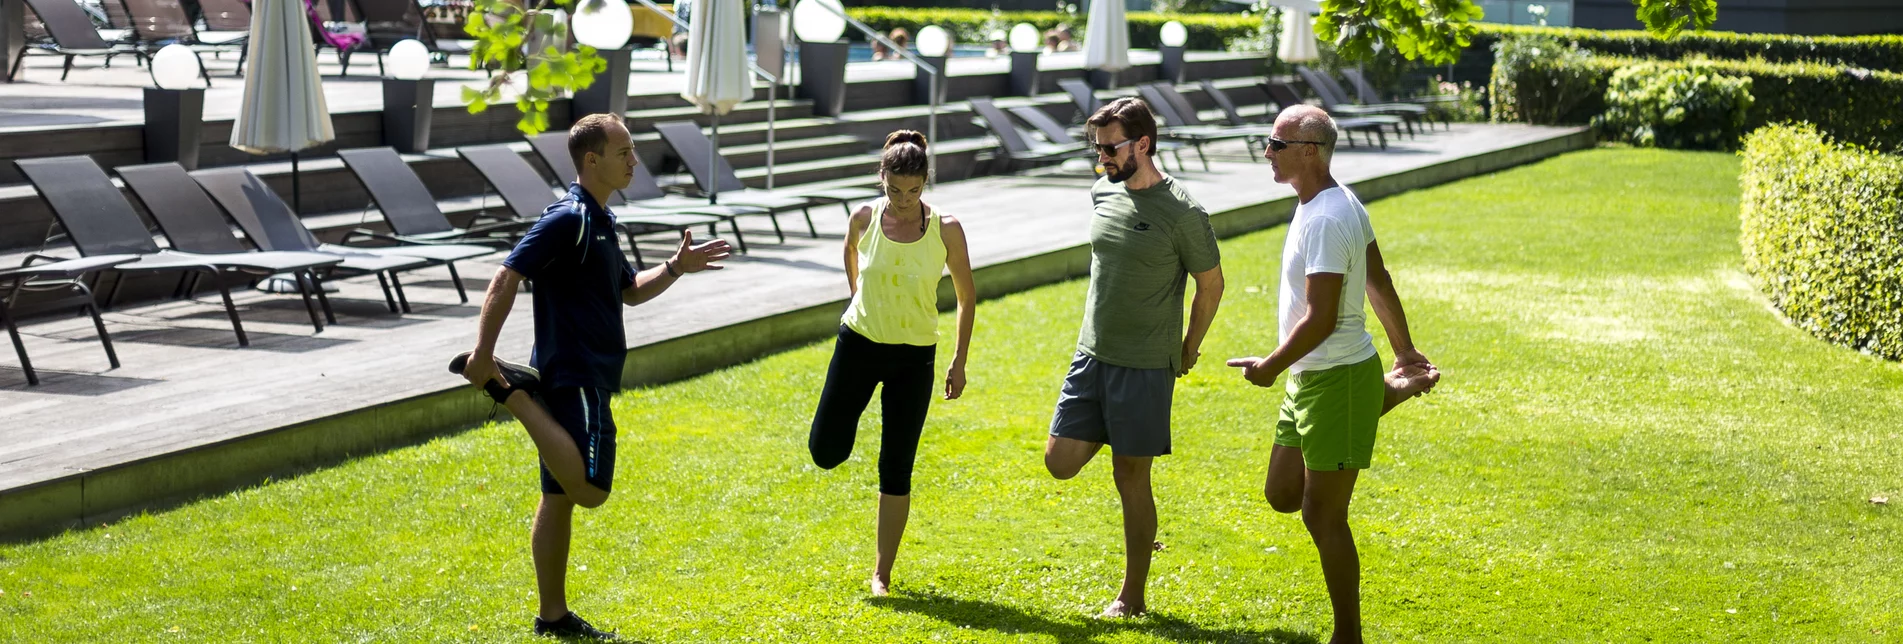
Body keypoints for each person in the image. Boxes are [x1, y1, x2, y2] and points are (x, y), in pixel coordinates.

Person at [452, 113, 733, 641]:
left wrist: (674, 268)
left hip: (581, 370)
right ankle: (508, 393)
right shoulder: (570, 217)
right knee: (590, 490)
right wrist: (484, 356)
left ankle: (552, 616)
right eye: (624, 152)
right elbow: (506, 274)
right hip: (575, 373)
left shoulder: (601, 220)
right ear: (592, 160)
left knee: (558, 497)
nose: (634, 160)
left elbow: (627, 289)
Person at [1225, 104, 1441, 644]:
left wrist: (1270, 365)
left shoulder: (1327, 216)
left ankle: (1348, 635)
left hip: (1334, 374)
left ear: (1309, 151)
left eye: (1275, 143)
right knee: (1281, 493)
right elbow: (1378, 279)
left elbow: (1323, 317)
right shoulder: (1330, 202)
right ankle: (1386, 391)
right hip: (1313, 378)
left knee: (1322, 516)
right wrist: (1406, 349)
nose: (1266, 151)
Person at [1042, 98, 1225, 618]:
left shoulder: (1184, 213)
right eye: (1096, 149)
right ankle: (1120, 445)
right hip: (1091, 355)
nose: (1102, 160)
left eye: (1110, 149)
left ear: (1142, 144)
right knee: (1060, 462)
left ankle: (1133, 595)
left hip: (1146, 365)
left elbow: (1210, 286)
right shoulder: (1103, 192)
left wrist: (1189, 347)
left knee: (1130, 478)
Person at [809, 130, 977, 597]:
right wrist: (857, 296)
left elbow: (966, 297)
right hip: (859, 343)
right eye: (894, 190)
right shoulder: (864, 217)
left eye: (913, 191)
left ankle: (882, 574)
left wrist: (959, 361)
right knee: (825, 452)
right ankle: (838, 437)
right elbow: (848, 252)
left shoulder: (947, 229)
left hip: (914, 356)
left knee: (897, 463)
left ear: (925, 183)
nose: (903, 201)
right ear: (881, 179)